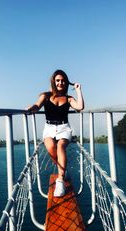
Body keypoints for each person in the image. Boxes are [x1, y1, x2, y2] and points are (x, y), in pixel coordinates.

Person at [27, 69, 84, 197]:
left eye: (63, 81)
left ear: (66, 83)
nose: (60, 83)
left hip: (64, 128)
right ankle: (63, 168)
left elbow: (80, 107)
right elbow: (37, 105)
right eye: (58, 80)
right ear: (53, 81)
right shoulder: (45, 95)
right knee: (51, 146)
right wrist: (30, 108)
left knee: (60, 146)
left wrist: (79, 90)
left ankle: (60, 180)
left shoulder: (69, 98)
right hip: (49, 128)